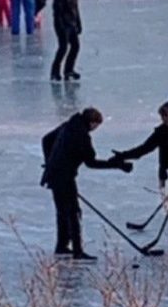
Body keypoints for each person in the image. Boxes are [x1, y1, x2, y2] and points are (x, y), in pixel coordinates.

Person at [40, 107, 130, 259]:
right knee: (74, 212)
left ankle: (61, 246)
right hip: (64, 176)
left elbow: (46, 140)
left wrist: (49, 161)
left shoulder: (68, 125)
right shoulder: (82, 135)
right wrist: (117, 165)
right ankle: (77, 251)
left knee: (62, 211)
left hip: (54, 175)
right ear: (92, 123)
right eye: (96, 126)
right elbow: (91, 163)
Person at [49, 0, 83, 81]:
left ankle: (69, 70)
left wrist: (79, 23)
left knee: (75, 47)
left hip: (72, 24)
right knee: (63, 48)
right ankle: (55, 72)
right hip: (62, 26)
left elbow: (76, 10)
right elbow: (57, 14)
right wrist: (61, 27)